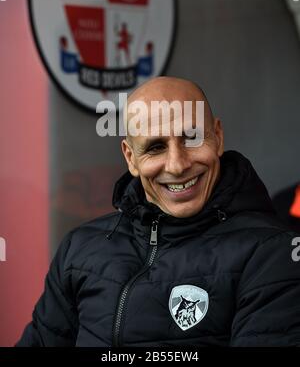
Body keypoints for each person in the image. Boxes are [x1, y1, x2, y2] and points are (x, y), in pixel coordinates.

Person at [16, 77, 300, 347]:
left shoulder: (274, 252)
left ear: (218, 137)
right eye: (155, 147)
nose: (177, 165)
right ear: (131, 158)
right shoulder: (79, 248)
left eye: (191, 137)